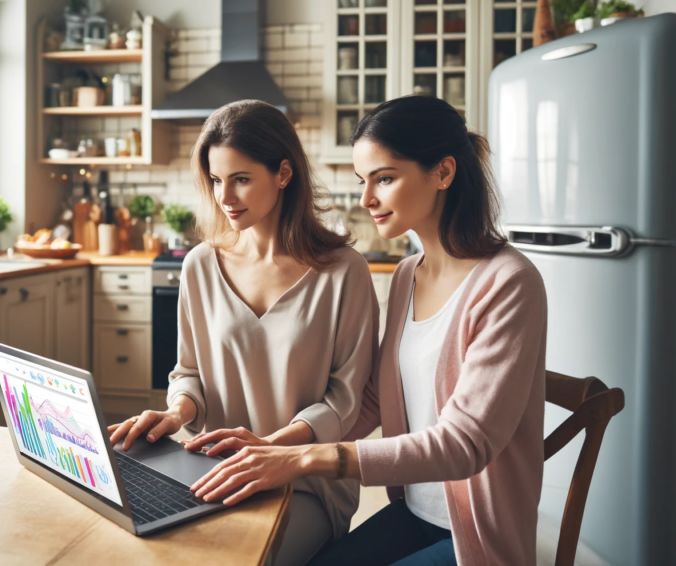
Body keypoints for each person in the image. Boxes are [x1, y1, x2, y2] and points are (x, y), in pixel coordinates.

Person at [184, 95, 548, 566]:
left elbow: (465, 444)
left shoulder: (509, 282)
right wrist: (273, 446)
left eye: (385, 178)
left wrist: (307, 459)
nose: (366, 199)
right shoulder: (407, 275)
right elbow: (373, 399)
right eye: (363, 181)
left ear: (443, 172)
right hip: (413, 512)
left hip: (472, 534)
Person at [107, 100, 378, 566]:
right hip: (209, 473)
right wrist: (175, 414)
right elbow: (189, 372)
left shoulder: (343, 273)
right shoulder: (199, 266)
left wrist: (270, 450)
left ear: (284, 174)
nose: (224, 197)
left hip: (304, 483)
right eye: (215, 180)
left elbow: (343, 403)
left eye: (241, 179)